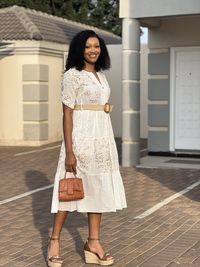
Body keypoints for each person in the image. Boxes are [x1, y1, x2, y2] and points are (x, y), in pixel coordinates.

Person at [47, 30, 127, 267]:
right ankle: (54, 240)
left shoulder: (101, 75)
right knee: (68, 189)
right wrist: (70, 150)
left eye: (97, 46)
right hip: (81, 138)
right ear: (79, 50)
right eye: (88, 46)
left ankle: (93, 242)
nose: (93, 50)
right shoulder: (73, 75)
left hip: (102, 137)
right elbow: (67, 113)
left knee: (98, 189)